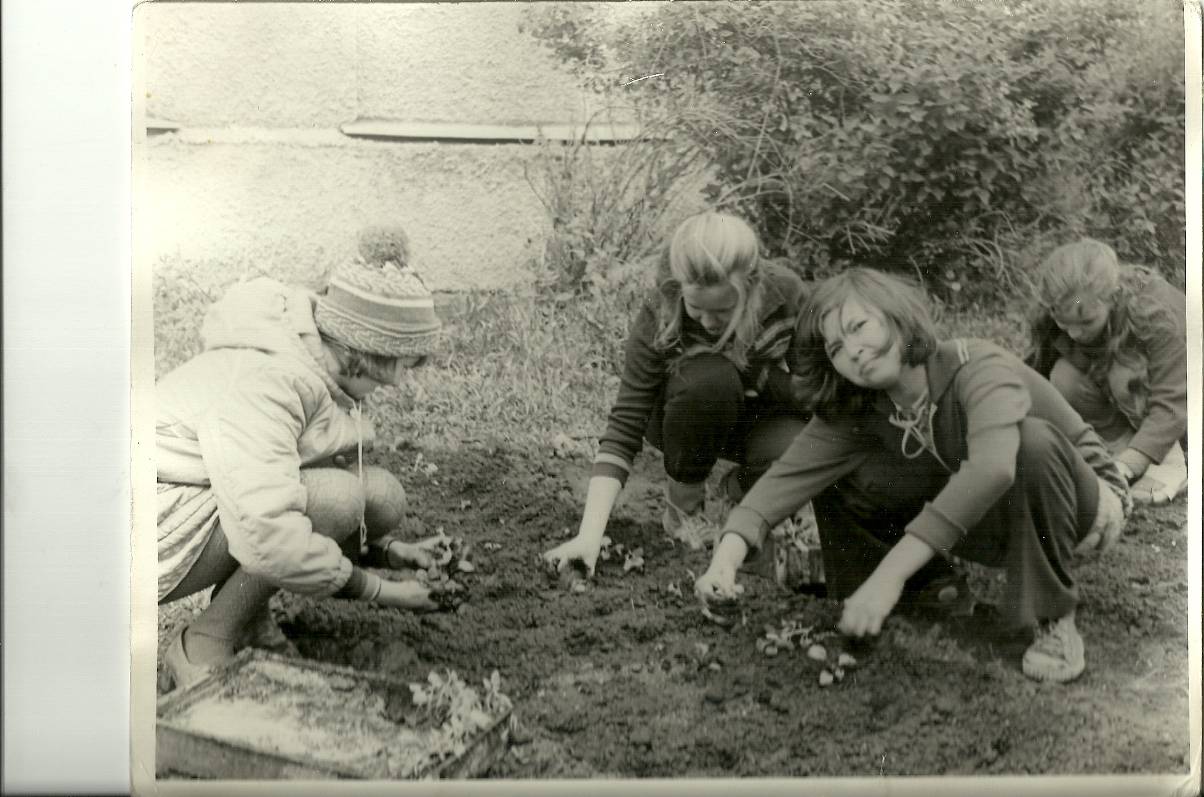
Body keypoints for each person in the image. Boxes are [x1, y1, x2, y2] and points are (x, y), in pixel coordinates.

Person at [695, 268, 1131, 683]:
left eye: (860, 327)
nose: (855, 351)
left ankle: (1052, 617)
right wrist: (724, 562)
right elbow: (782, 483)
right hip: (997, 518)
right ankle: (917, 592)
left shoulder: (977, 365)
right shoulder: (862, 405)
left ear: (897, 315)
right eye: (836, 349)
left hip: (1083, 510)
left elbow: (993, 468)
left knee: (1031, 442)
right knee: (845, 470)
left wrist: (890, 573)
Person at [157, 226, 449, 690]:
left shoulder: (312, 361)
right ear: (360, 357)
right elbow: (269, 533)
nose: (395, 387)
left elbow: (278, 484)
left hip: (210, 499)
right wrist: (382, 591)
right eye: (391, 374)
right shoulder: (268, 382)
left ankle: (247, 620)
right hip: (149, 531)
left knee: (378, 496)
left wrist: (388, 552)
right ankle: (203, 642)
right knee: (337, 499)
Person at [543, 211, 810, 576]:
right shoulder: (661, 308)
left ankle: (739, 492)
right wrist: (589, 535)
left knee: (798, 444)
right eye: (696, 308)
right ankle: (683, 512)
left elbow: (813, 392)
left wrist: (757, 371)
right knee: (709, 379)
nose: (709, 322)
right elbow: (625, 424)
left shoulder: (788, 295)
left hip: (754, 414)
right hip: (685, 415)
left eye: (724, 309)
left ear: (752, 285)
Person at [1027, 239, 1188, 504]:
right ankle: (1123, 450)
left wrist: (1129, 465)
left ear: (1113, 298)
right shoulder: (1069, 306)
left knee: (1125, 373)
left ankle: (1169, 463)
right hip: (1142, 406)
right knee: (1063, 377)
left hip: (1184, 399)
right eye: (1064, 323)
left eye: (1086, 322)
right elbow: (1036, 375)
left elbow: (1173, 400)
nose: (1075, 333)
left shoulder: (1153, 313)